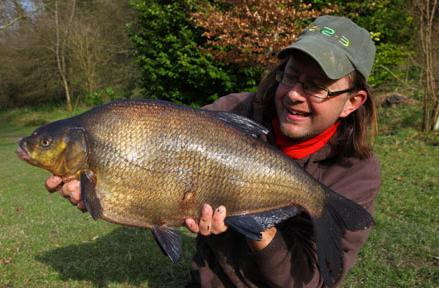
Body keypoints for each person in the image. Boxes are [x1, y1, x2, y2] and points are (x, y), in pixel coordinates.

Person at [45, 15, 380, 288]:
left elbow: (312, 282)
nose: (294, 94)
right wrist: (109, 194)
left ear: (353, 102)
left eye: (316, 86)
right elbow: (159, 169)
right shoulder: (234, 111)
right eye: (291, 75)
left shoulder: (356, 172)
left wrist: (256, 224)